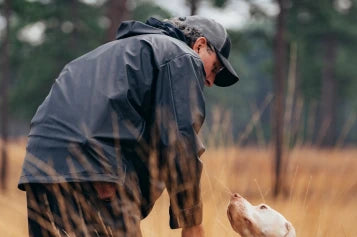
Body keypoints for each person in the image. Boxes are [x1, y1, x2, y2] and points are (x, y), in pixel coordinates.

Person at [18, 16, 239, 237]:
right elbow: (179, 140)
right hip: (97, 172)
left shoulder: (105, 53)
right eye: (215, 68)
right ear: (199, 45)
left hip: (39, 171)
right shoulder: (181, 55)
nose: (210, 81)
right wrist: (191, 220)